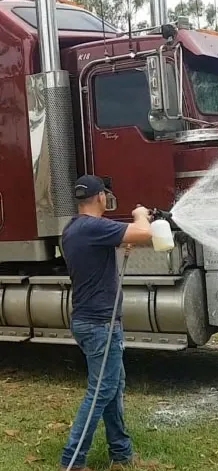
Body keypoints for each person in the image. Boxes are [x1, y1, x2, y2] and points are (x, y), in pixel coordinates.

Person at [59, 175, 159, 471]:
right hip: (100, 323)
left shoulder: (75, 229)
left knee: (112, 387)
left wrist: (121, 242)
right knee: (102, 390)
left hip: (92, 320)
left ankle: (121, 455)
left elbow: (97, 255)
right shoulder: (93, 227)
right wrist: (141, 215)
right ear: (101, 197)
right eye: (105, 194)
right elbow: (144, 233)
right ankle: (73, 461)